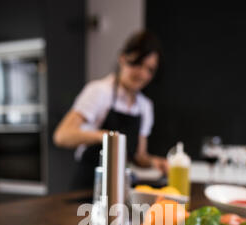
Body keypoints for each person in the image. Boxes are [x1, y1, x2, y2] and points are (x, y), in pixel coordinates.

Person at [53, 30, 167, 189]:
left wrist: (157, 162)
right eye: (138, 64)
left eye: (149, 70)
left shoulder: (145, 106)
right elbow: (62, 136)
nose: (142, 74)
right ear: (122, 59)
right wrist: (105, 136)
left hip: (118, 186)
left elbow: (140, 156)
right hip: (88, 185)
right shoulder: (100, 91)